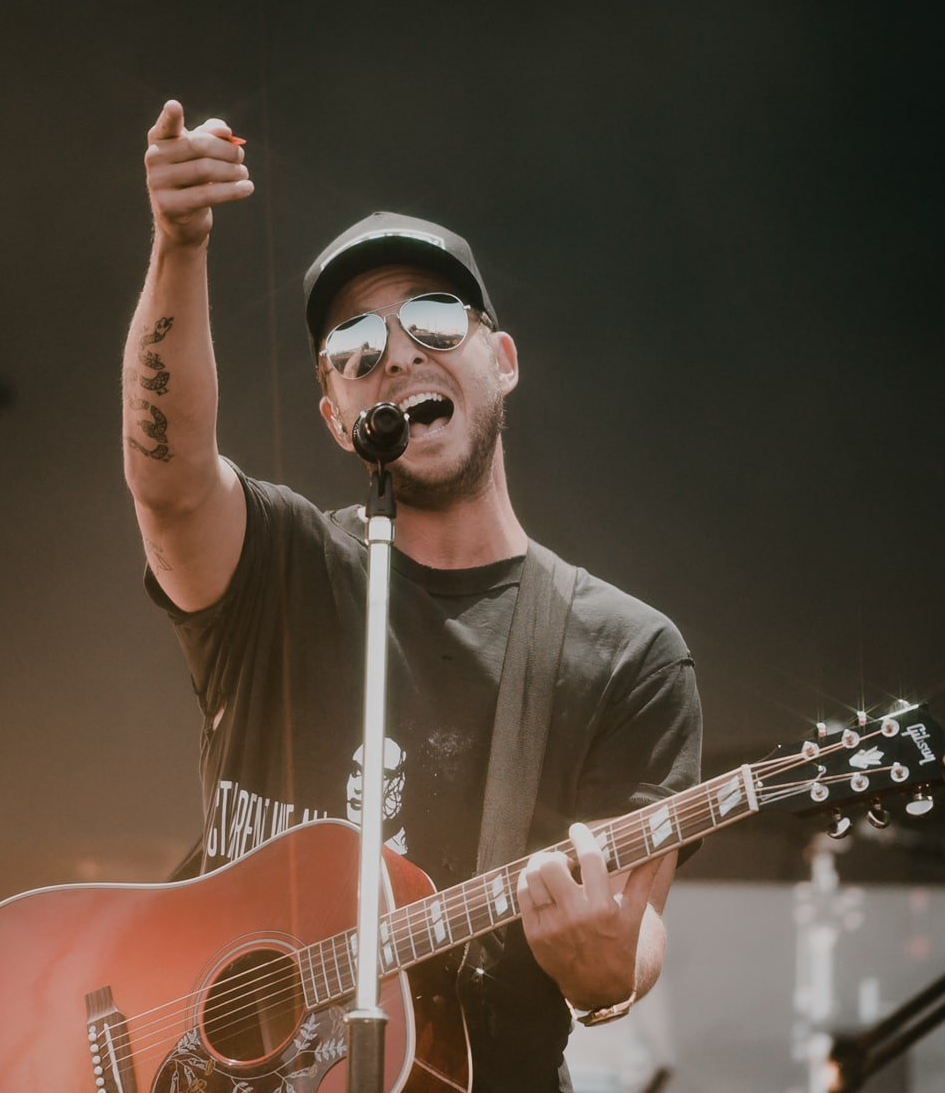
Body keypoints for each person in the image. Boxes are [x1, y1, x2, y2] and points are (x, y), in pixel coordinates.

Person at [123, 100, 702, 1092]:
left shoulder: (622, 653)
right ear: (335, 413)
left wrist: (608, 971)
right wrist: (180, 247)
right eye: (355, 343)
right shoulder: (279, 567)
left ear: (503, 361)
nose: (395, 352)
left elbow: (636, 929)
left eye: (434, 319)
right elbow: (171, 479)